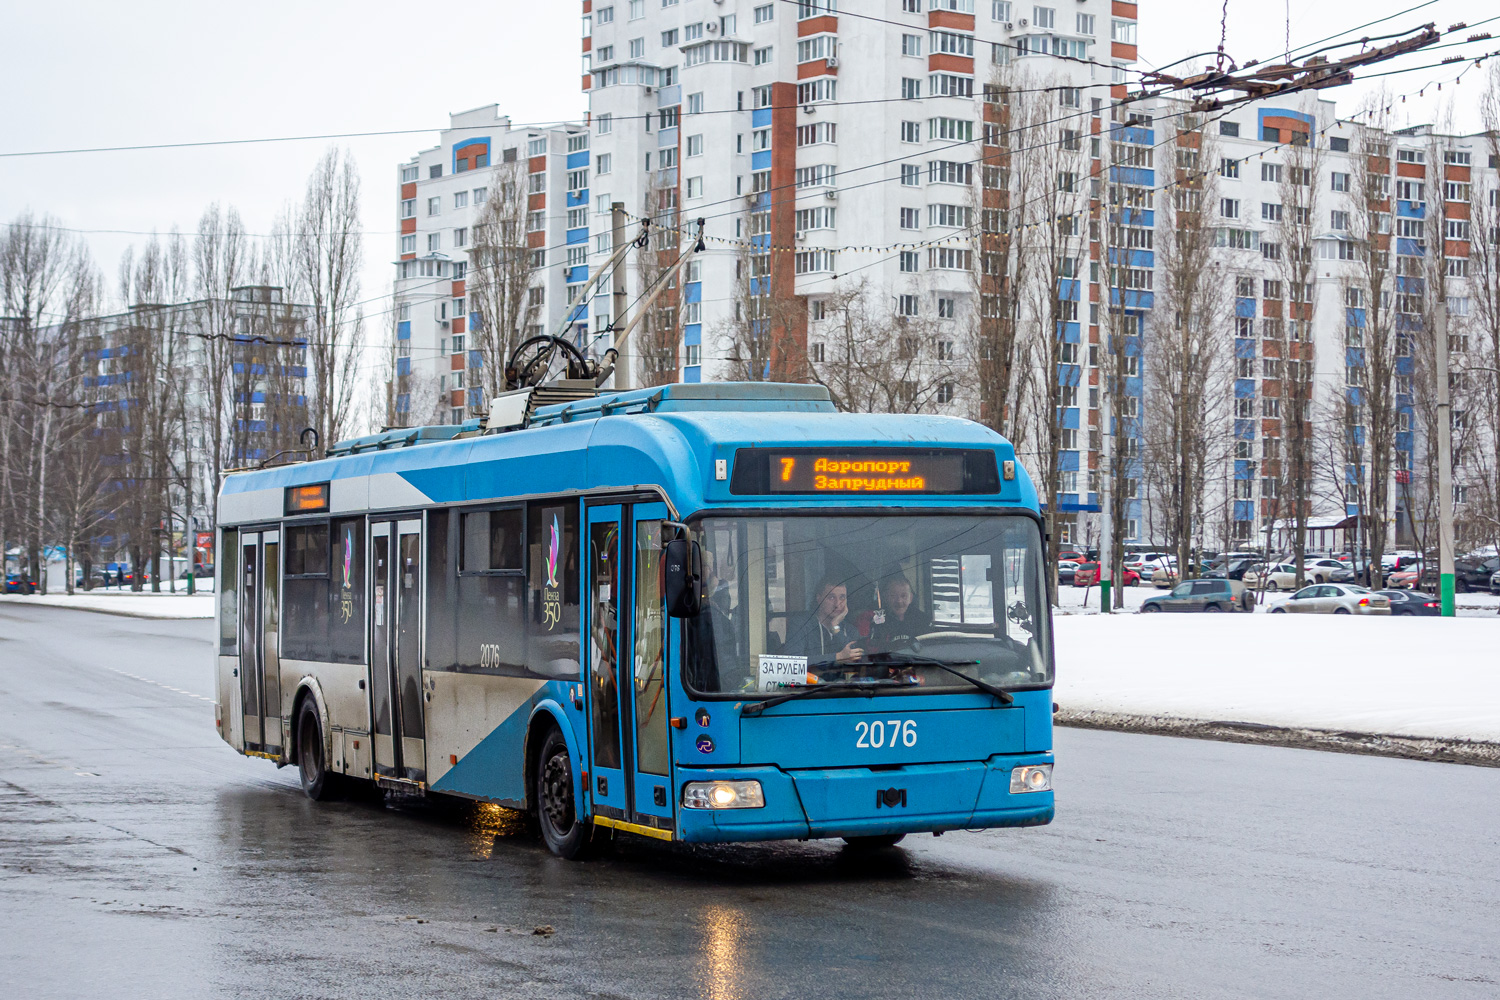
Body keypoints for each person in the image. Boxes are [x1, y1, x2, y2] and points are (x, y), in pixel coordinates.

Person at [781, 576, 865, 669]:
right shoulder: (801, 625)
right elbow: (792, 663)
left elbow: (858, 660)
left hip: (843, 683)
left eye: (842, 598)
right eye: (831, 597)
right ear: (819, 598)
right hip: (810, 683)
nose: (837, 604)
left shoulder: (850, 630)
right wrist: (838, 657)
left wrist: (835, 628)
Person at [867, 575, 927, 651]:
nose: (899, 601)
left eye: (904, 596)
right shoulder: (878, 622)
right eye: (893, 596)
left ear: (911, 598)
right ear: (886, 598)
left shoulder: (922, 620)